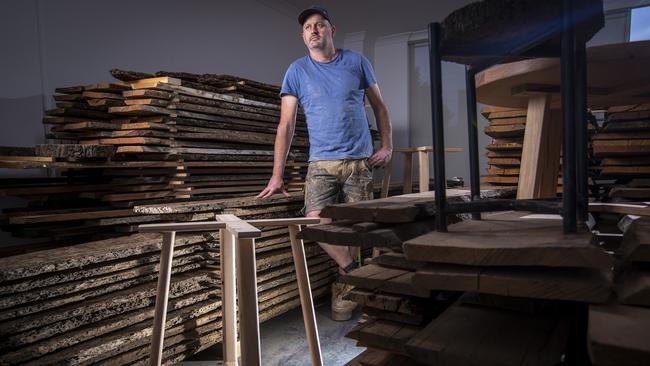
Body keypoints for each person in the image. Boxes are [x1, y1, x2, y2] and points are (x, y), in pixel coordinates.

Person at [257, 5, 392, 320]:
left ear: (332, 30)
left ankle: (349, 289)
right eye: (307, 28)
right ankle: (354, 273)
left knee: (358, 229)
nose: (313, 30)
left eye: (319, 25)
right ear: (303, 37)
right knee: (315, 221)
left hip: (359, 161)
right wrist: (276, 176)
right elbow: (286, 125)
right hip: (321, 163)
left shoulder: (357, 62)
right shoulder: (297, 71)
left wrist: (388, 146)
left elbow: (381, 108)